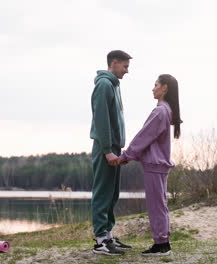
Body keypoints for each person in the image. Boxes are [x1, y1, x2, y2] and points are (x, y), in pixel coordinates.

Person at [119, 74, 182, 256]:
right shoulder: (166, 110)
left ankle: (161, 244)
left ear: (165, 88)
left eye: (156, 85)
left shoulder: (160, 111)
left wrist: (126, 156)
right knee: (160, 204)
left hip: (155, 165)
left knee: (156, 205)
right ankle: (163, 243)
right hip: (159, 165)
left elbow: (144, 136)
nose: (153, 88)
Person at [90, 50, 133, 256]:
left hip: (114, 147)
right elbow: (101, 121)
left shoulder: (114, 85)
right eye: (125, 66)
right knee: (102, 193)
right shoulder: (104, 85)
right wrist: (107, 151)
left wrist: (117, 148)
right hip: (104, 148)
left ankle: (108, 236)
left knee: (112, 194)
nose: (126, 71)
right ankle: (100, 241)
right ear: (114, 63)